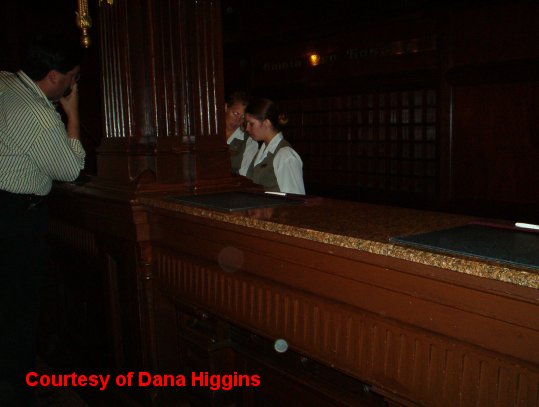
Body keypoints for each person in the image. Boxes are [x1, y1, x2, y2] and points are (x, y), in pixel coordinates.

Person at [0, 33, 85, 406]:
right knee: (19, 309)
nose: (74, 84)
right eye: (73, 77)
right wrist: (73, 113)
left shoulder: (4, 82)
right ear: (54, 76)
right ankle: (14, 392)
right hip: (17, 219)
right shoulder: (38, 116)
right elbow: (70, 169)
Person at [244, 98, 305, 194]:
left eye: (251, 124)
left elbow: (294, 198)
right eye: (246, 123)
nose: (247, 128)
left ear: (266, 123)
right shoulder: (262, 150)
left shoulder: (285, 155)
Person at [225, 91, 259, 176]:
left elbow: (244, 177)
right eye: (235, 114)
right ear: (225, 107)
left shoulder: (250, 142)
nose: (237, 121)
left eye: (243, 117)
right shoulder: (210, 136)